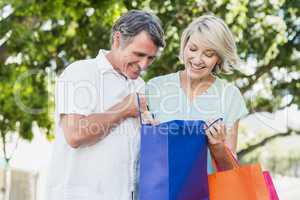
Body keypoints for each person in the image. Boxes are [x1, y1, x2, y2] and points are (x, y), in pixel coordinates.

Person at [46, 10, 165, 200]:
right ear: (117, 40)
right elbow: (75, 134)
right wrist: (124, 109)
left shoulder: (140, 86)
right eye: (139, 54)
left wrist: (153, 132)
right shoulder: (80, 72)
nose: (144, 65)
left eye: (150, 58)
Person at [146, 14, 249, 174]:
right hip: (162, 191)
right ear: (184, 46)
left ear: (219, 59)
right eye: (193, 49)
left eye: (208, 54)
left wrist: (218, 146)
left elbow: (230, 172)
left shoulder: (230, 96)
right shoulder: (154, 87)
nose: (197, 59)